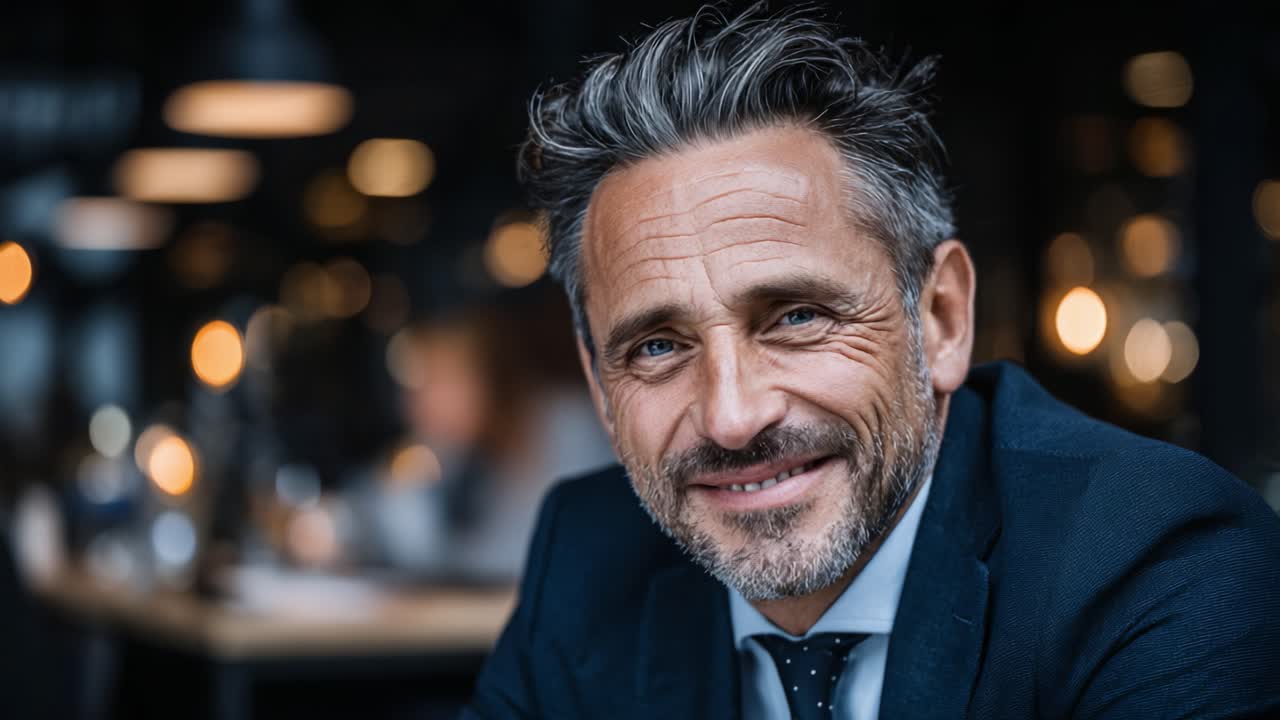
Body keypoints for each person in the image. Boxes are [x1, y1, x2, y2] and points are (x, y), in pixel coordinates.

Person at [462, 5, 1280, 719]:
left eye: (798, 317)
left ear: (943, 318)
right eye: (658, 347)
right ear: (601, 385)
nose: (733, 415)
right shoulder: (589, 553)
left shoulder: (1156, 563)